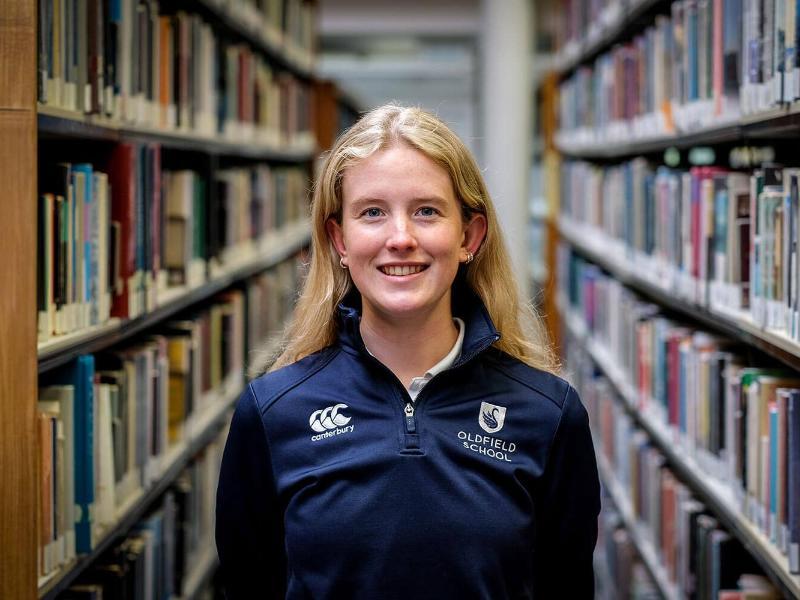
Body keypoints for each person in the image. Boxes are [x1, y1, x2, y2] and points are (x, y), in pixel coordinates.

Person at [215, 104, 600, 599]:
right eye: (372, 212)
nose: (401, 238)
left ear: (469, 236)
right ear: (340, 240)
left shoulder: (549, 415)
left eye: (427, 211)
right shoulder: (271, 413)